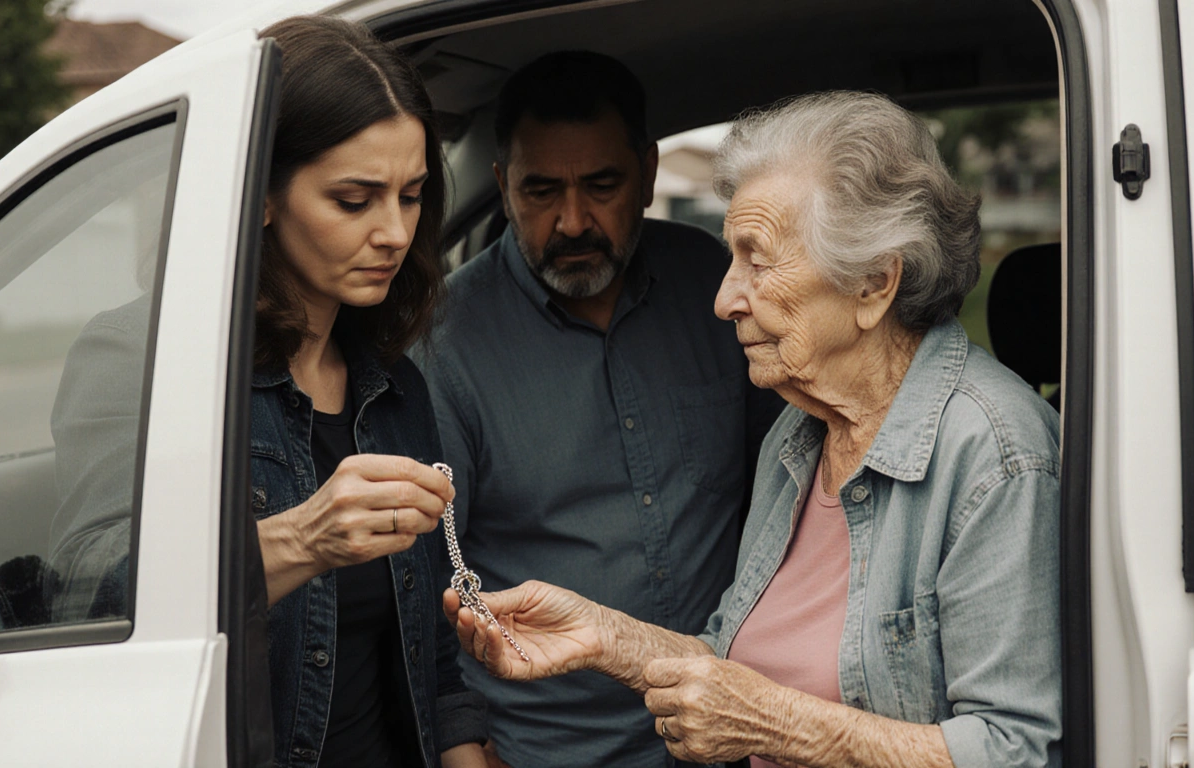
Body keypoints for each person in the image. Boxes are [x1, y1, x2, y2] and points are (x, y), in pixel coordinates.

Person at [446, 91, 1062, 768]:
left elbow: (1018, 750)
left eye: (757, 260)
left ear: (873, 285)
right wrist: (605, 638)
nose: (723, 297)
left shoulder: (994, 455)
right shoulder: (800, 435)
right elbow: (728, 658)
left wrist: (772, 725)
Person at [47, 16, 489, 768]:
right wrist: (302, 539)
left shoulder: (395, 385)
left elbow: (434, 667)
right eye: (355, 199)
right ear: (258, 195)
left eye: (411, 196)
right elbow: (87, 596)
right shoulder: (145, 357)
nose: (395, 232)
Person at [412, 51, 784, 767]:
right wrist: (463, 750)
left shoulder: (719, 287)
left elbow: (792, 487)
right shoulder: (443, 343)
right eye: (542, 191)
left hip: (739, 729)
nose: (573, 220)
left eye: (602, 185)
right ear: (502, 186)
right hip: (552, 749)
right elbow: (424, 581)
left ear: (647, 174)